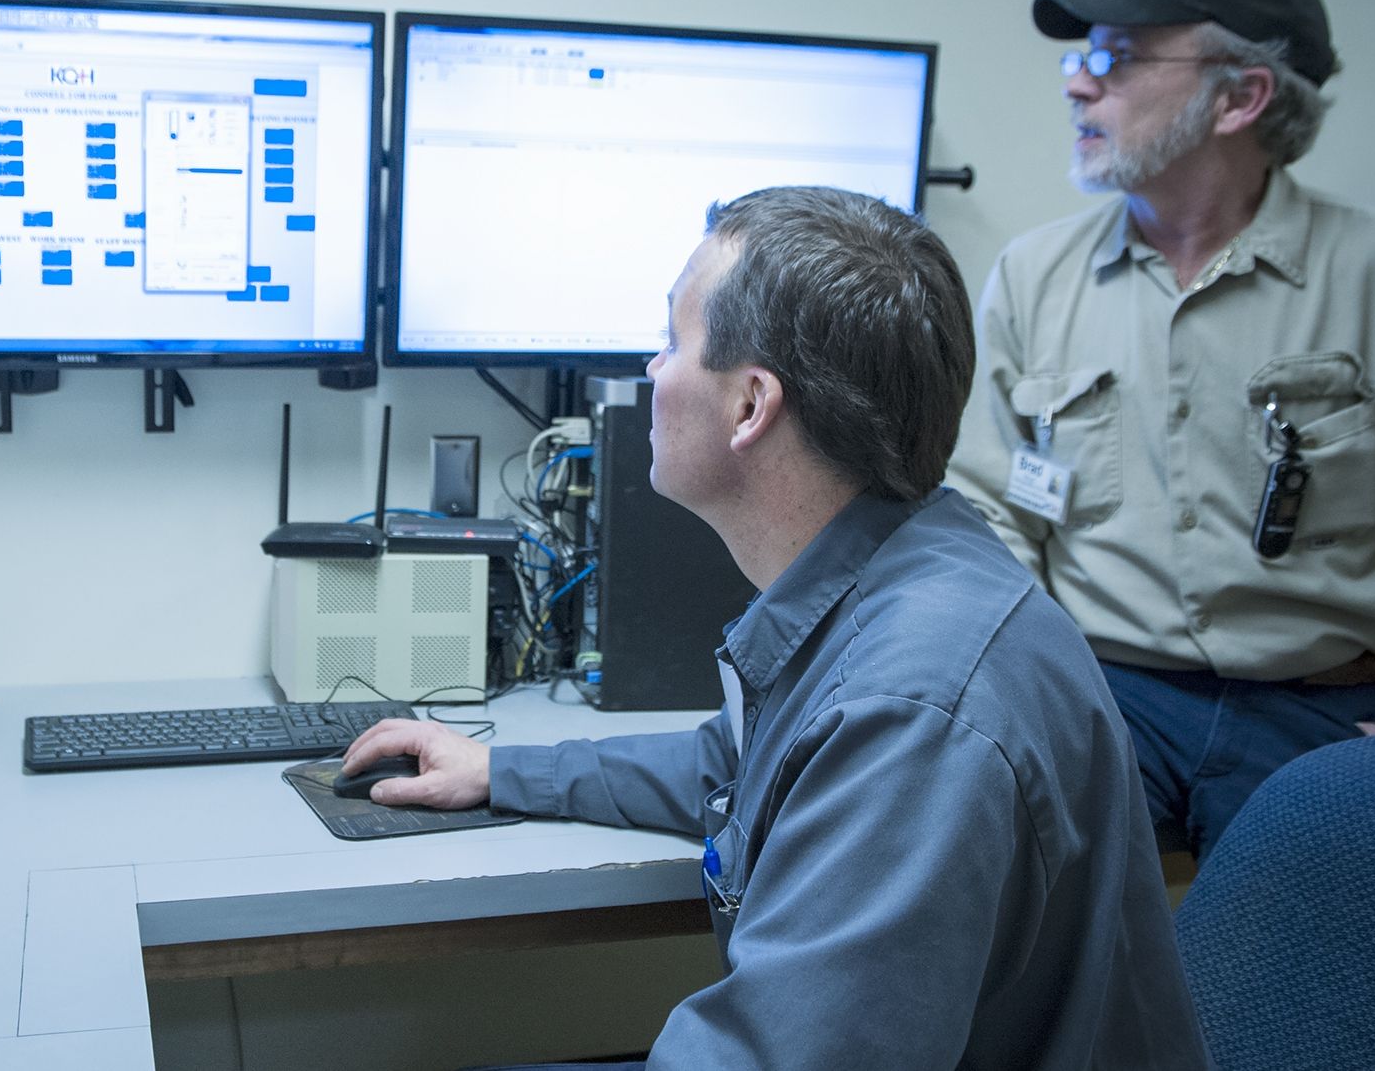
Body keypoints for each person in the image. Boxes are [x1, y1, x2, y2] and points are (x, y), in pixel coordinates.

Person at [345, 186, 1206, 1068]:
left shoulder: (912, 712)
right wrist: (501, 768)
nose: (651, 369)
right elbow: (737, 768)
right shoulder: (900, 571)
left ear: (751, 405)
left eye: (673, 341)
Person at [946, 0, 1375, 863]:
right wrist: (1023, 691)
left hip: (1321, 711)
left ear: (1240, 96)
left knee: (1309, 993)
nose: (1076, 85)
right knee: (986, 912)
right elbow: (991, 509)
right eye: (1080, 58)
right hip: (1105, 695)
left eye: (1113, 58)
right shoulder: (1034, 275)